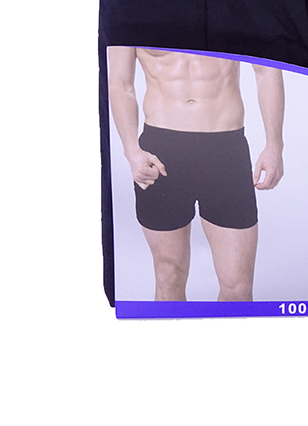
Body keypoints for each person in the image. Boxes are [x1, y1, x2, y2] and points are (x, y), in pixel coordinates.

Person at [107, 47, 285, 302]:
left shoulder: (238, 17)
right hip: (161, 150)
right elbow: (120, 82)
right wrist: (131, 150)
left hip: (225, 150)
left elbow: (266, 69)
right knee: (168, 275)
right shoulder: (130, 19)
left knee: (238, 288)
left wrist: (274, 144)